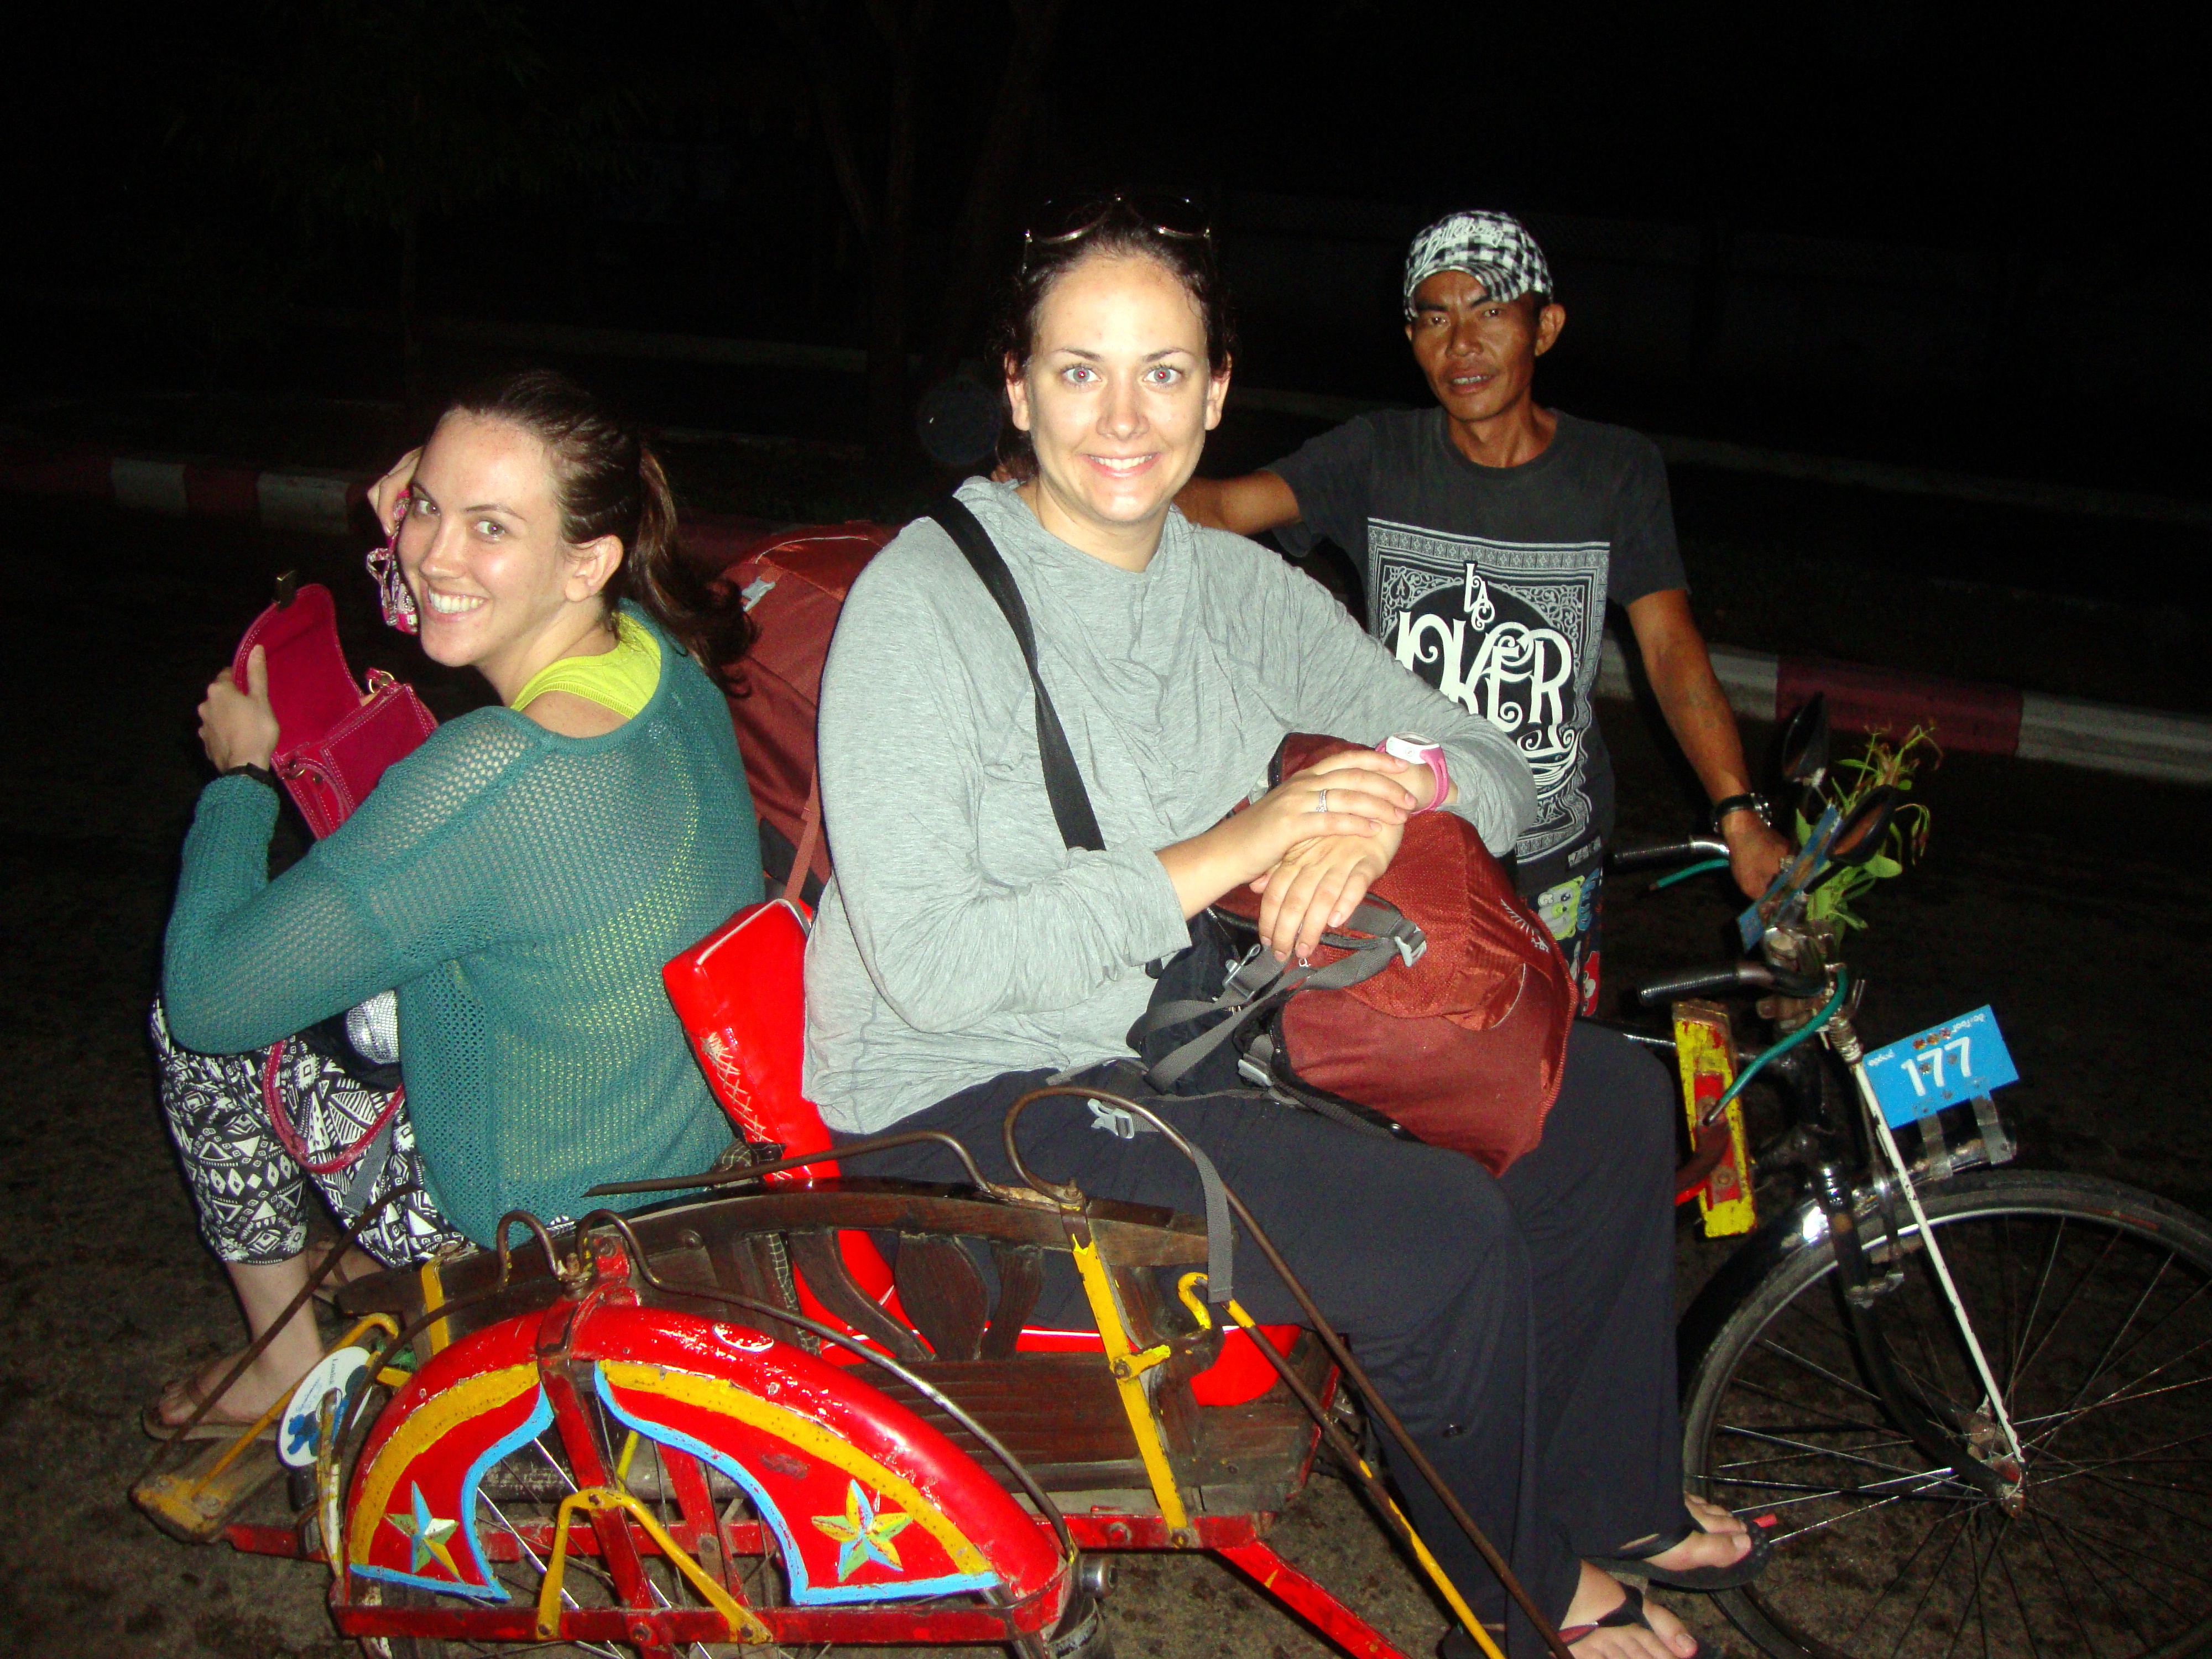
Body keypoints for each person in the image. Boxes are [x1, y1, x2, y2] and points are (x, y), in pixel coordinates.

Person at [805, 196, 1751, 1659]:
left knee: (1610, 1104)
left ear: (1217, 392)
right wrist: (1238, 846)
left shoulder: (1233, 588)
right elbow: (931, 969)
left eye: (1164, 372)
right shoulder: (923, 606)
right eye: (1079, 371)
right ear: (1017, 389)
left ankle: (1596, 1500)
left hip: (1187, 1030)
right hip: (979, 1094)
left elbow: (1497, 766)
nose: (1125, 417)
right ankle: (1514, 1601)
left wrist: (1387, 799)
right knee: (1442, 1239)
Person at [148, 369, 763, 1434]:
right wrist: (440, 527)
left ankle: (283, 1362)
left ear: (587, 560)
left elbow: (209, 998)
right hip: (669, 1161)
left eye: (490, 527)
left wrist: (241, 781)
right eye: (426, 508)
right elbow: (460, 606)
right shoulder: (655, 655)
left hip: (531, 1223)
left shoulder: (499, 775)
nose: (433, 556)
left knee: (192, 1022)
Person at [1177, 210, 1792, 1011]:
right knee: (1403, 1046)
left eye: (1490, 311)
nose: (1461, 344)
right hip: (1407, 836)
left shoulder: (1615, 471)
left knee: (1546, 1045)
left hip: (1552, 854)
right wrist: (1081, 480)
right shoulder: (1376, 455)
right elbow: (1224, 508)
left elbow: (1671, 651)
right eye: (1435, 318)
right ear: (1413, 337)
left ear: (1546, 327)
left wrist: (1738, 811)